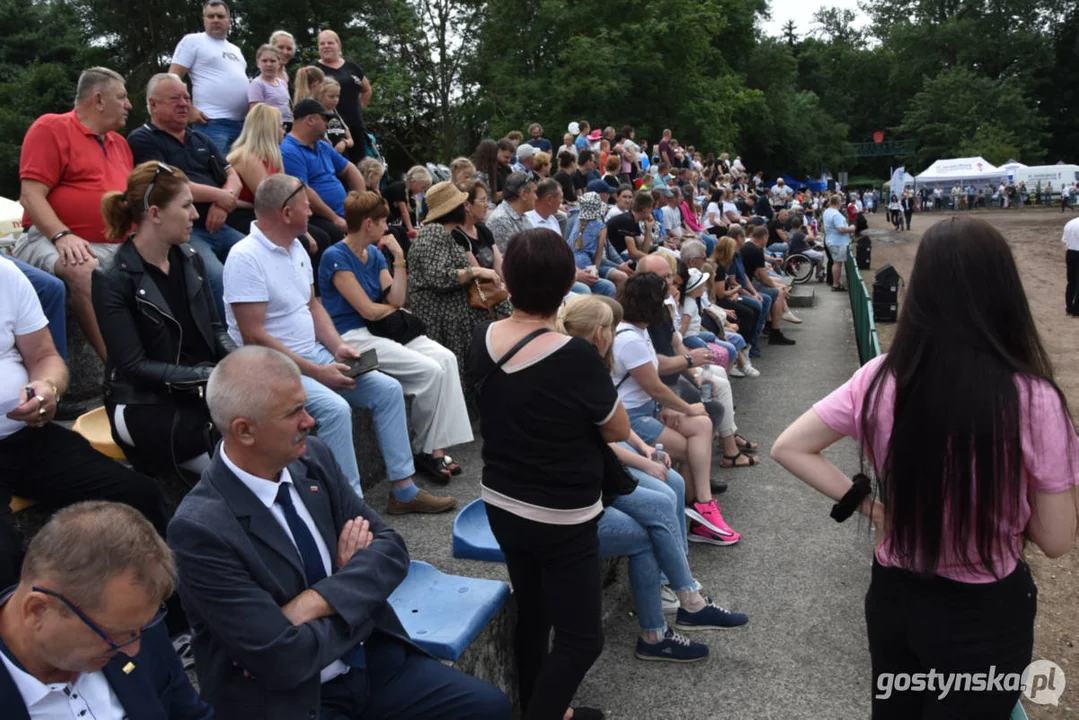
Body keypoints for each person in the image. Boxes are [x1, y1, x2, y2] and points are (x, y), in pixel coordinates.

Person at [772, 217, 1079, 718]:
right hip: (986, 609)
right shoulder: (1033, 398)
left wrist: (874, 510)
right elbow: (1057, 539)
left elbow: (789, 447)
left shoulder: (878, 376)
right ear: (1004, 290)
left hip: (896, 597)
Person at [168, 346, 511, 719]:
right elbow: (282, 658)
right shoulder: (199, 529)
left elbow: (392, 551)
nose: (310, 421)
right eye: (293, 413)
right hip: (293, 698)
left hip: (370, 662)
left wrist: (314, 601)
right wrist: (355, 594)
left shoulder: (313, 459)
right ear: (244, 430)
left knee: (487, 708)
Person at [466, 229, 628, 719]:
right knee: (582, 639)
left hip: (500, 501)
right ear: (565, 288)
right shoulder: (576, 355)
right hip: (562, 515)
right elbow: (616, 427)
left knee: (534, 616)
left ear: (508, 279)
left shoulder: (483, 337)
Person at [223, 174, 455, 513]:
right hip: (272, 367)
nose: (313, 214)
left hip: (313, 355)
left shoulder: (296, 248)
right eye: (307, 207)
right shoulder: (245, 257)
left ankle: (403, 491)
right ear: (286, 213)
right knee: (335, 410)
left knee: (388, 391)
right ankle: (351, 508)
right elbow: (254, 337)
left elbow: (313, 306)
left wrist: (335, 347)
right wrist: (318, 371)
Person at [560, 295, 749, 652]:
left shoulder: (589, 364)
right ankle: (686, 601)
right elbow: (604, 436)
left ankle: (668, 604)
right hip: (579, 488)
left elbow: (608, 427)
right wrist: (644, 460)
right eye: (611, 328)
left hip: (593, 469)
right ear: (601, 333)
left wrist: (644, 450)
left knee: (673, 481)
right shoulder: (579, 371)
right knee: (659, 507)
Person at [0, 257, 170, 592]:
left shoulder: (5, 275)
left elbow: (44, 357)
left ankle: (167, 618)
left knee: (138, 495)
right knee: (3, 553)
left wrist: (47, 389)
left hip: (26, 433)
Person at [0, 501, 212, 718]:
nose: (133, 651)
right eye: (112, 634)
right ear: (38, 610)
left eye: (140, 629)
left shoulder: (133, 623)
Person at [93, 161, 235, 479]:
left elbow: (214, 330)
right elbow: (133, 367)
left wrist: (241, 362)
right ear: (155, 214)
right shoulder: (112, 277)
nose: (195, 215)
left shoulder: (190, 260)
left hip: (198, 391)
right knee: (233, 470)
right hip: (144, 404)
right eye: (186, 206)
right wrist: (208, 376)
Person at [319, 191, 473, 481]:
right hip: (351, 336)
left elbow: (398, 299)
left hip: (381, 329)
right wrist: (388, 305)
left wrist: (399, 258)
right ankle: (427, 451)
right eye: (381, 222)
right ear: (368, 224)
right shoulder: (335, 256)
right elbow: (366, 310)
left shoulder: (375, 253)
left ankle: (435, 449)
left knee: (446, 358)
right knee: (429, 370)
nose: (386, 228)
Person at [14, 66, 134, 361]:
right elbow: (30, 196)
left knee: (177, 256)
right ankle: (117, 366)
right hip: (48, 237)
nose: (129, 105)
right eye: (122, 97)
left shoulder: (120, 143)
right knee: (82, 269)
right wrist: (62, 235)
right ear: (99, 100)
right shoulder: (52, 127)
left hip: (113, 243)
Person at [613, 271, 741, 545]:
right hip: (630, 420)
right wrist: (687, 407)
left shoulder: (639, 330)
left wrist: (678, 408)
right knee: (695, 448)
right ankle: (700, 512)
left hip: (646, 410)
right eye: (665, 295)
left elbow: (652, 386)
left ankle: (701, 508)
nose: (671, 298)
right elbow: (654, 387)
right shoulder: (631, 338)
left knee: (703, 425)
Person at [127, 72, 246, 316]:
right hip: (184, 232)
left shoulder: (199, 137)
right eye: (175, 99)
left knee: (261, 259)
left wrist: (223, 204)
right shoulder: (143, 139)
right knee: (216, 277)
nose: (184, 104)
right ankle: (230, 347)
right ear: (153, 104)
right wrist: (220, 196)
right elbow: (170, 184)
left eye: (187, 98)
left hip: (220, 226)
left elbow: (233, 175)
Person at [407, 181, 512, 390]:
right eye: (461, 204)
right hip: (444, 321)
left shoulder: (443, 234)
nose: (465, 207)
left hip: (454, 316)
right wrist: (478, 271)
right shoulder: (434, 233)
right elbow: (439, 278)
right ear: (451, 209)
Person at [280, 98, 366, 250]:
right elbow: (302, 189)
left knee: (382, 228)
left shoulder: (322, 146)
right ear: (311, 120)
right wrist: (335, 219)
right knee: (334, 236)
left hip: (343, 213)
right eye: (325, 119)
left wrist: (362, 205)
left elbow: (350, 169)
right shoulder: (289, 150)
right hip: (318, 217)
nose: (327, 124)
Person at [168, 0, 249, 156]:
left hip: (242, 125)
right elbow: (173, 77)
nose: (215, 20)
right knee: (214, 174)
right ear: (204, 20)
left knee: (239, 177)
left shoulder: (236, 50)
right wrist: (188, 109)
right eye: (211, 16)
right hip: (211, 122)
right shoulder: (193, 41)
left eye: (220, 16)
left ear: (229, 21)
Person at [315, 29, 371, 163]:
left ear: (338, 45)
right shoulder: (314, 70)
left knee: (360, 166)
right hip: (331, 130)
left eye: (330, 43)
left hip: (355, 127)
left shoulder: (352, 67)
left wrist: (358, 109)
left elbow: (367, 90)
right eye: (322, 43)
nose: (326, 46)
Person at [486, 172, 536, 253]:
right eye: (534, 192)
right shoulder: (500, 220)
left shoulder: (521, 216)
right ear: (523, 194)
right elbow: (510, 261)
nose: (536, 197)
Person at [247, 44, 292, 125]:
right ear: (258, 63)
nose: (269, 64)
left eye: (272, 61)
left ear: (279, 63)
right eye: (264, 61)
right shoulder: (257, 84)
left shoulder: (282, 83)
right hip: (269, 127)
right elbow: (256, 114)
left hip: (287, 126)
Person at [385, 166, 432, 241]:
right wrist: (411, 230)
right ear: (414, 182)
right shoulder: (400, 188)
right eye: (422, 187)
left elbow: (408, 213)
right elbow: (404, 213)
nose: (422, 191)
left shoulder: (409, 193)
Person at [823, 194, 855, 292]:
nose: (842, 204)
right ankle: (836, 284)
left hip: (831, 240)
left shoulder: (827, 211)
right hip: (837, 242)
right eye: (841, 202)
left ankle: (836, 283)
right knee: (837, 263)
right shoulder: (836, 214)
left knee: (835, 262)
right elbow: (840, 229)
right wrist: (851, 229)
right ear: (838, 202)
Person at [317, 78, 355, 157]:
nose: (335, 100)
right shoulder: (317, 115)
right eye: (331, 97)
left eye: (337, 96)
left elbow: (351, 140)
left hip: (342, 158)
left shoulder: (338, 116)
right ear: (320, 95)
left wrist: (344, 142)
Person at [1065, 216, 1079, 316]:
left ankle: (1069, 306)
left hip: (1070, 253)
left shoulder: (1070, 223)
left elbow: (1065, 240)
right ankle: (1077, 309)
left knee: (1071, 281)